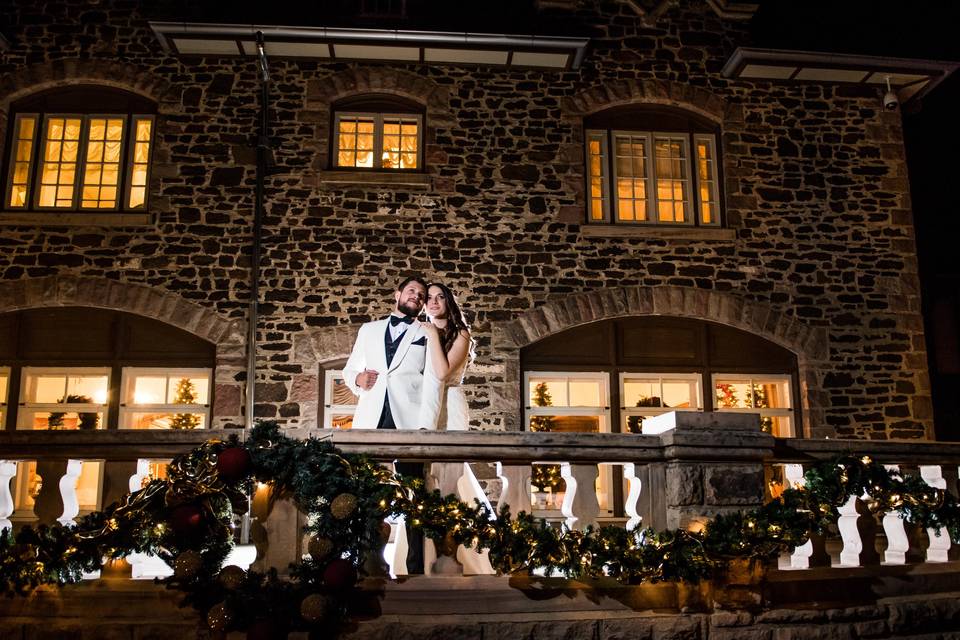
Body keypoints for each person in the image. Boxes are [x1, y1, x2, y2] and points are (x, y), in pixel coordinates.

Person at [343, 276, 442, 574]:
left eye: (421, 294)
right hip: (372, 419)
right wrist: (358, 380)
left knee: (415, 496)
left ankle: (415, 567)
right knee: (369, 491)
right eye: (411, 291)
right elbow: (350, 369)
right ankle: (371, 562)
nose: (416, 296)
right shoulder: (369, 330)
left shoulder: (428, 332)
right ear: (397, 294)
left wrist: (426, 426)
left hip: (410, 421)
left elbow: (432, 382)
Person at [420, 283, 495, 575]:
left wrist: (432, 336)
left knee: (451, 474)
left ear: (449, 302)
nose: (435, 302)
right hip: (426, 407)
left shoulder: (461, 334)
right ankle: (424, 552)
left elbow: (443, 372)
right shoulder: (420, 331)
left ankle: (466, 552)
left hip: (449, 406)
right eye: (429, 298)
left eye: (441, 297)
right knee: (428, 477)